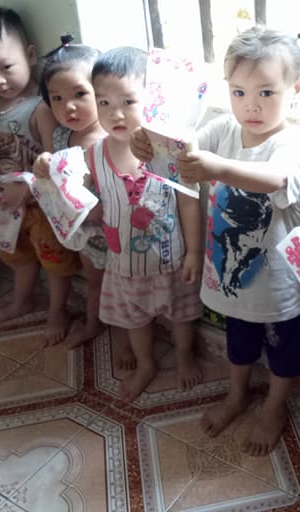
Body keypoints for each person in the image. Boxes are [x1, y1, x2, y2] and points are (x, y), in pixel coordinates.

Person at [135, 25, 300, 456]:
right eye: (238, 92)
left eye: (266, 92)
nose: (250, 105)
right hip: (230, 275)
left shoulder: (292, 142)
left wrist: (217, 168)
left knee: (283, 353)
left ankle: (274, 407)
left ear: (295, 89)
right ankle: (237, 394)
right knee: (238, 344)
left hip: (277, 283)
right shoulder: (224, 128)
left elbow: (275, 178)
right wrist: (146, 142)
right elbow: (184, 148)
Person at [0, 6, 78, 322]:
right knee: (18, 256)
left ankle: (57, 311)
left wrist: (29, 190)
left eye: (6, 67)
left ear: (30, 55)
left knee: (54, 261)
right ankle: (22, 301)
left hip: (41, 207)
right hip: (5, 204)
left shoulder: (41, 109)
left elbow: (56, 162)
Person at [87, 47, 203, 401]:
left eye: (128, 101)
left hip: (170, 262)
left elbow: (188, 201)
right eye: (104, 103)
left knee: (181, 316)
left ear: (153, 99)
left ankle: (183, 357)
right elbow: (86, 195)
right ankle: (146, 363)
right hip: (123, 264)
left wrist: (194, 252)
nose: (115, 114)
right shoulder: (94, 153)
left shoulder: (167, 150)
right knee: (133, 320)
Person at [31, 36, 130, 358]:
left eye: (79, 94)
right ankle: (92, 323)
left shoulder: (112, 138)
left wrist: (100, 209)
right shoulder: (63, 134)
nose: (68, 106)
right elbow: (53, 167)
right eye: (57, 98)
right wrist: (43, 163)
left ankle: (125, 340)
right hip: (85, 232)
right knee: (93, 281)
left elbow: (127, 187)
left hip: (113, 229)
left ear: (102, 95)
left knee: (121, 287)